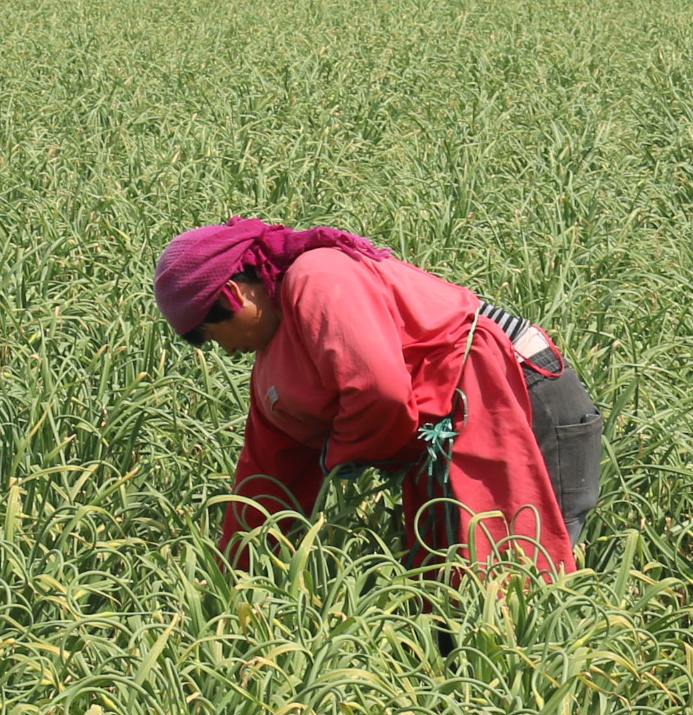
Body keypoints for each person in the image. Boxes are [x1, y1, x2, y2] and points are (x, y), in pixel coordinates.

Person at [154, 217, 600, 575]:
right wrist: (234, 577)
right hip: (456, 420)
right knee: (456, 573)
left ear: (233, 293)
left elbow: (379, 392)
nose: (228, 351)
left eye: (216, 335)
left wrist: (338, 455)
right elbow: (266, 475)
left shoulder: (318, 277)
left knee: (526, 559)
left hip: (519, 391)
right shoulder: (272, 365)